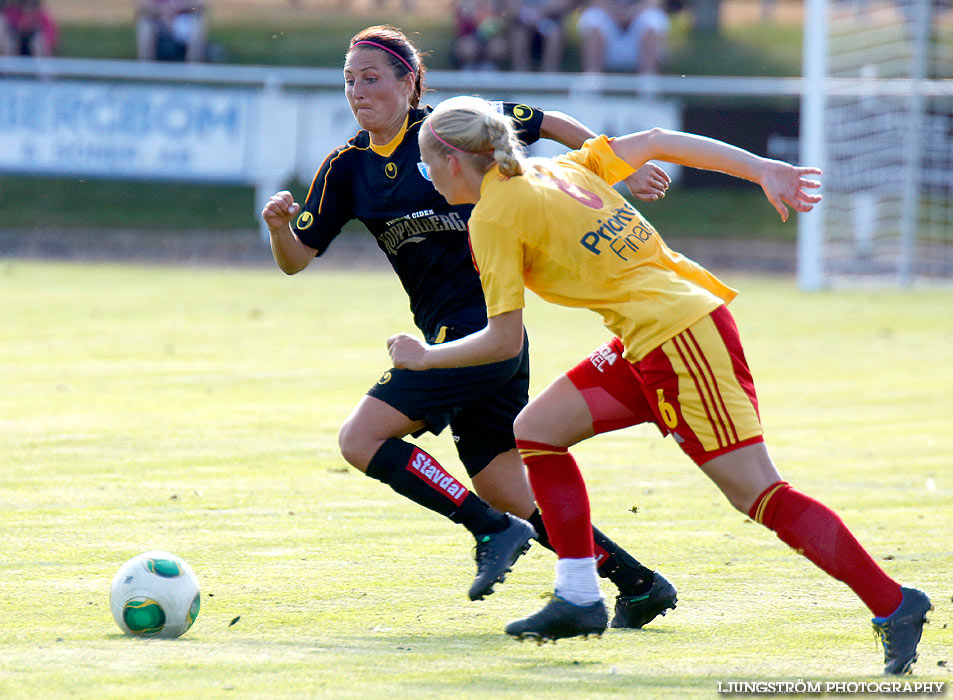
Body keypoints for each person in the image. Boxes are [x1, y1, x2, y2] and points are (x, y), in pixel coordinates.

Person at [390, 94, 932, 674]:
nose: (427, 179)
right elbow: (654, 141)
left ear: (451, 162)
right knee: (538, 431)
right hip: (650, 336)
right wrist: (762, 170)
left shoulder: (493, 216)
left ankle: (894, 603)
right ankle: (578, 594)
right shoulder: (555, 168)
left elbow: (502, 340)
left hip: (680, 338)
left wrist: (426, 357)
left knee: (758, 493)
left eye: (425, 167)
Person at [261, 25, 679, 625]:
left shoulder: (449, 130)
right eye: (350, 80)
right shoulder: (346, 169)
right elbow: (296, 259)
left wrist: (614, 170)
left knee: (361, 440)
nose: (358, 91)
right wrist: (279, 228)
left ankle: (487, 532)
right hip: (473, 342)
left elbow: (546, 120)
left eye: (372, 78)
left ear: (410, 83)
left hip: (481, 334)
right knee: (510, 490)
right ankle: (638, 584)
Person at [578, 0, 673, 74]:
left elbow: (653, 2)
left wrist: (629, 14)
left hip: (637, 33)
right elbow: (596, 2)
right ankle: (592, 78)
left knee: (652, 19)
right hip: (610, 33)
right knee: (593, 17)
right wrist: (617, 13)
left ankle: (648, 80)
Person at [507, 0, 577, 72]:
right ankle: (520, 72)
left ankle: (550, 73)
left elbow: (562, 4)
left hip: (549, 20)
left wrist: (541, 13)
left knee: (553, 32)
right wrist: (528, 15)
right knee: (519, 34)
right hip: (523, 22)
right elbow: (512, 8)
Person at [136, 0, 207, 62]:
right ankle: (146, 67)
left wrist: (176, 8)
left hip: (184, 19)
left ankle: (193, 69)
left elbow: (200, 4)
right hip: (157, 19)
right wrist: (162, 11)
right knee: (145, 25)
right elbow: (141, 5)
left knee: (196, 25)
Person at [452, 0, 508, 71]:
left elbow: (501, 21)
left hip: (490, 37)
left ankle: (489, 65)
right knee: (468, 47)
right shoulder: (465, 4)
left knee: (497, 46)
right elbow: (461, 27)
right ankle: (469, 66)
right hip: (470, 36)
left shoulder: (495, 4)